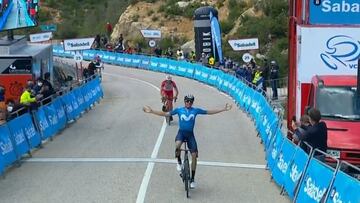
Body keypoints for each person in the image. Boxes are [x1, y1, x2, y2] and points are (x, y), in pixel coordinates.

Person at [143, 95, 232, 189]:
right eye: (187, 101)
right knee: (177, 145)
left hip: (190, 135)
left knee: (194, 156)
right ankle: (179, 161)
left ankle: (192, 179)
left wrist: (223, 109)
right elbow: (166, 114)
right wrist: (152, 111)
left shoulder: (195, 110)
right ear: (184, 101)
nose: (189, 103)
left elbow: (208, 112)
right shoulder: (179, 110)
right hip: (181, 133)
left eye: (190, 102)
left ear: (192, 102)